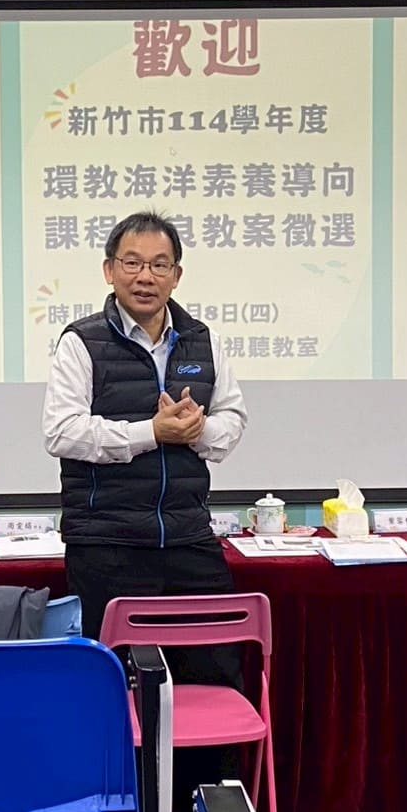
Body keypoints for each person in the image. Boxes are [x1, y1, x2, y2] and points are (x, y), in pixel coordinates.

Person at [43, 210, 248, 652]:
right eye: (132, 263)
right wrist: (151, 432)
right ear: (109, 270)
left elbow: (232, 421)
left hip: (188, 536)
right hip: (106, 543)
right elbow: (61, 432)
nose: (145, 277)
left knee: (215, 666)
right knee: (114, 677)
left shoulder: (204, 341)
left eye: (159, 264)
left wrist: (195, 430)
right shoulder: (81, 342)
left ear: (176, 276)